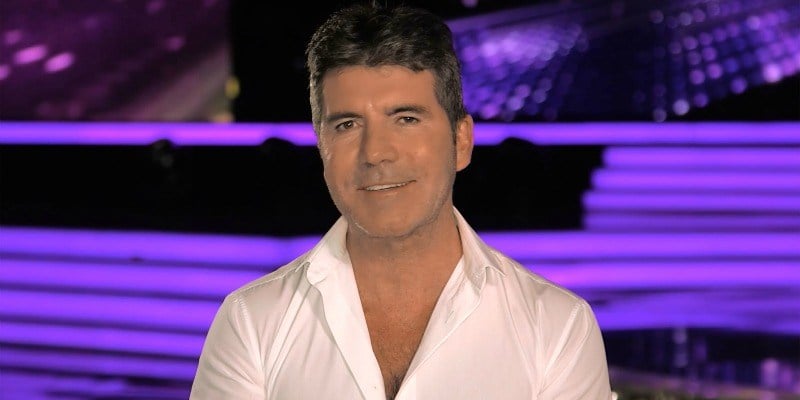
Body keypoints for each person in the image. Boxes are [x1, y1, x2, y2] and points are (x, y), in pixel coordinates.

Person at [190, 3, 612, 399]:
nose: (376, 153)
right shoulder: (251, 323)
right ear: (322, 149)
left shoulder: (557, 328)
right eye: (348, 124)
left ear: (461, 141)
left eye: (406, 119)